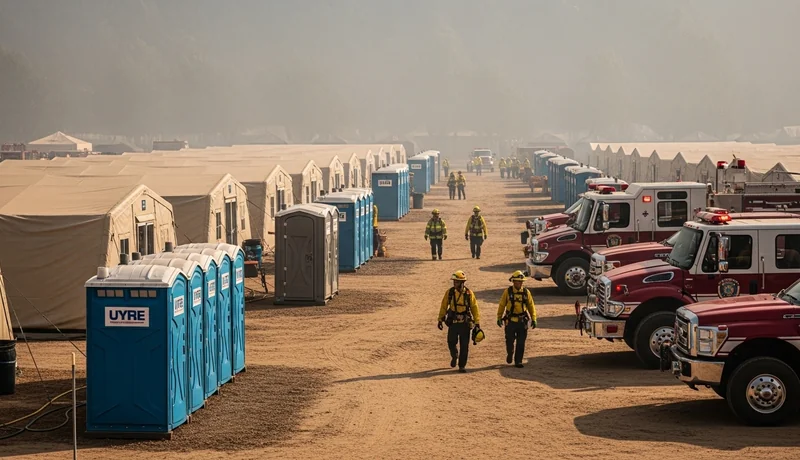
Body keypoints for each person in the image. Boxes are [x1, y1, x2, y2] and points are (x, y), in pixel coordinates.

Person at [438, 270, 481, 372]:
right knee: (450, 342)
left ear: (462, 283)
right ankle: (454, 355)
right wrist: (440, 319)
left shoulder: (469, 294)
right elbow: (444, 306)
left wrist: (477, 322)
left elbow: (475, 308)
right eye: (454, 281)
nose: (454, 283)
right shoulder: (450, 293)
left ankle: (462, 366)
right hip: (453, 323)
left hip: (465, 324)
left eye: (457, 282)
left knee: (464, 346)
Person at [497, 270, 537, 368]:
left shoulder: (526, 292)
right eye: (517, 281)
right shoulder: (508, 292)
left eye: (521, 282)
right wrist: (499, 317)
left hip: (522, 321)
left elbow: (531, 306)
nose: (519, 283)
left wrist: (534, 318)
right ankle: (510, 353)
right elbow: (502, 304)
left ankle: (518, 361)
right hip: (510, 321)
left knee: (521, 343)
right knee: (509, 341)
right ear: (513, 281)